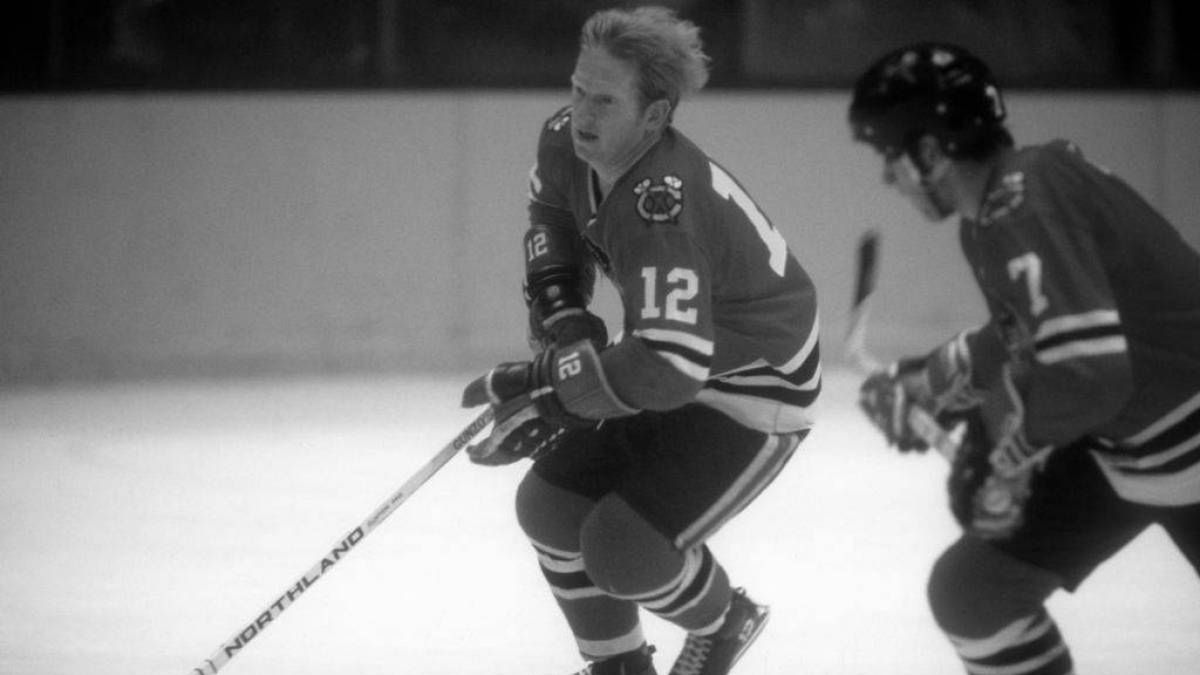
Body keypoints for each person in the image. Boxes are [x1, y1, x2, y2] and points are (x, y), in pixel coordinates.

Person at [459, 6, 821, 675]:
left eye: (604, 99)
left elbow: (671, 368)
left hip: (754, 385)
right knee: (549, 507)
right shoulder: (567, 139)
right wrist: (565, 314)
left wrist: (551, 392)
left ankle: (724, 620)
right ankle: (618, 667)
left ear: (653, 119)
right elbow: (551, 215)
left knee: (623, 549)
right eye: (576, 89)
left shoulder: (662, 203)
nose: (581, 114)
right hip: (677, 349)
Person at [849, 42, 1200, 675]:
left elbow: (1090, 374)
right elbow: (1034, 334)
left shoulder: (1022, 199)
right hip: (1135, 445)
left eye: (888, 156)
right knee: (973, 594)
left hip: (1180, 437)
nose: (886, 177)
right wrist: (932, 379)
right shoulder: (998, 208)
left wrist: (1011, 462)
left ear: (929, 151)